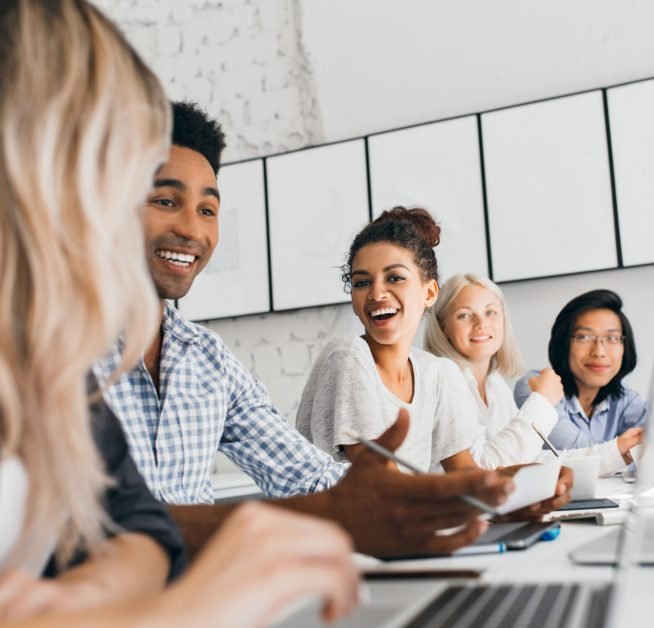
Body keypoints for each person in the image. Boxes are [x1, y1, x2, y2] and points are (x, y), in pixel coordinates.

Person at [0, 1, 358, 628]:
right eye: (156, 195)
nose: (190, 228)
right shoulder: (69, 343)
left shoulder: (43, 344)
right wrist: (174, 615)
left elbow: (138, 530)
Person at [95, 102, 515, 557]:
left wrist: (492, 502)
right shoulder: (51, 349)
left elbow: (306, 474)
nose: (192, 230)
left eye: (208, 210)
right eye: (165, 201)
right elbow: (70, 528)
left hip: (197, 609)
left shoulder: (207, 360)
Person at [297, 208, 573, 512]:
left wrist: (533, 482)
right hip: (342, 538)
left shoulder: (433, 372)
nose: (376, 292)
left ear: (429, 292)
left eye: (394, 278)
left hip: (401, 530)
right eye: (362, 282)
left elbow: (466, 473)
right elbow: (383, 485)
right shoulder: (349, 357)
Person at [425, 275, 636, 476]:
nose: (481, 323)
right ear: (443, 326)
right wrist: (542, 401)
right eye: (464, 315)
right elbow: (482, 470)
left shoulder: (495, 385)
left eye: (491, 312)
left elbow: (528, 462)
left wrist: (616, 452)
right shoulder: (443, 374)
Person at [514, 290, 645, 465]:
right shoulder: (535, 387)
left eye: (611, 338)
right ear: (563, 343)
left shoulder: (626, 399)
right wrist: (625, 449)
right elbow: (578, 453)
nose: (599, 352)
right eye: (584, 337)